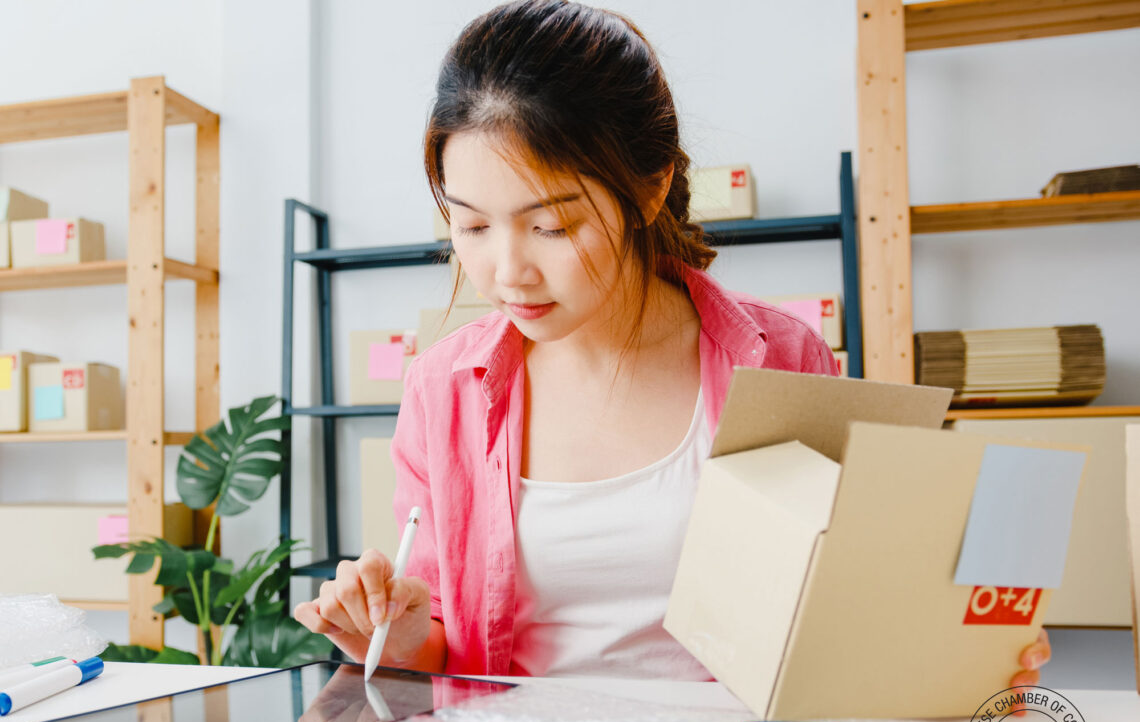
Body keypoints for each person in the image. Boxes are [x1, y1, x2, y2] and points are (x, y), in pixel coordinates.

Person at [294, 0, 1050, 686]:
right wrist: (393, 635)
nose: (507, 271)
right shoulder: (442, 389)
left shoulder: (779, 355)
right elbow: (441, 649)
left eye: (552, 226)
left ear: (649, 188)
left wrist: (964, 639)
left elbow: (852, 600)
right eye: (472, 226)